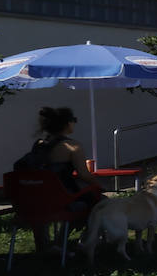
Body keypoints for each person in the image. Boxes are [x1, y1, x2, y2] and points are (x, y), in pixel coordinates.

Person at [17, 106, 105, 251]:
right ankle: (70, 242)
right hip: (63, 200)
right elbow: (83, 174)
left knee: (55, 204)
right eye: (74, 120)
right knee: (100, 203)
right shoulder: (72, 146)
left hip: (36, 200)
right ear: (67, 123)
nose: (75, 123)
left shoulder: (39, 145)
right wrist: (100, 186)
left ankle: (44, 247)